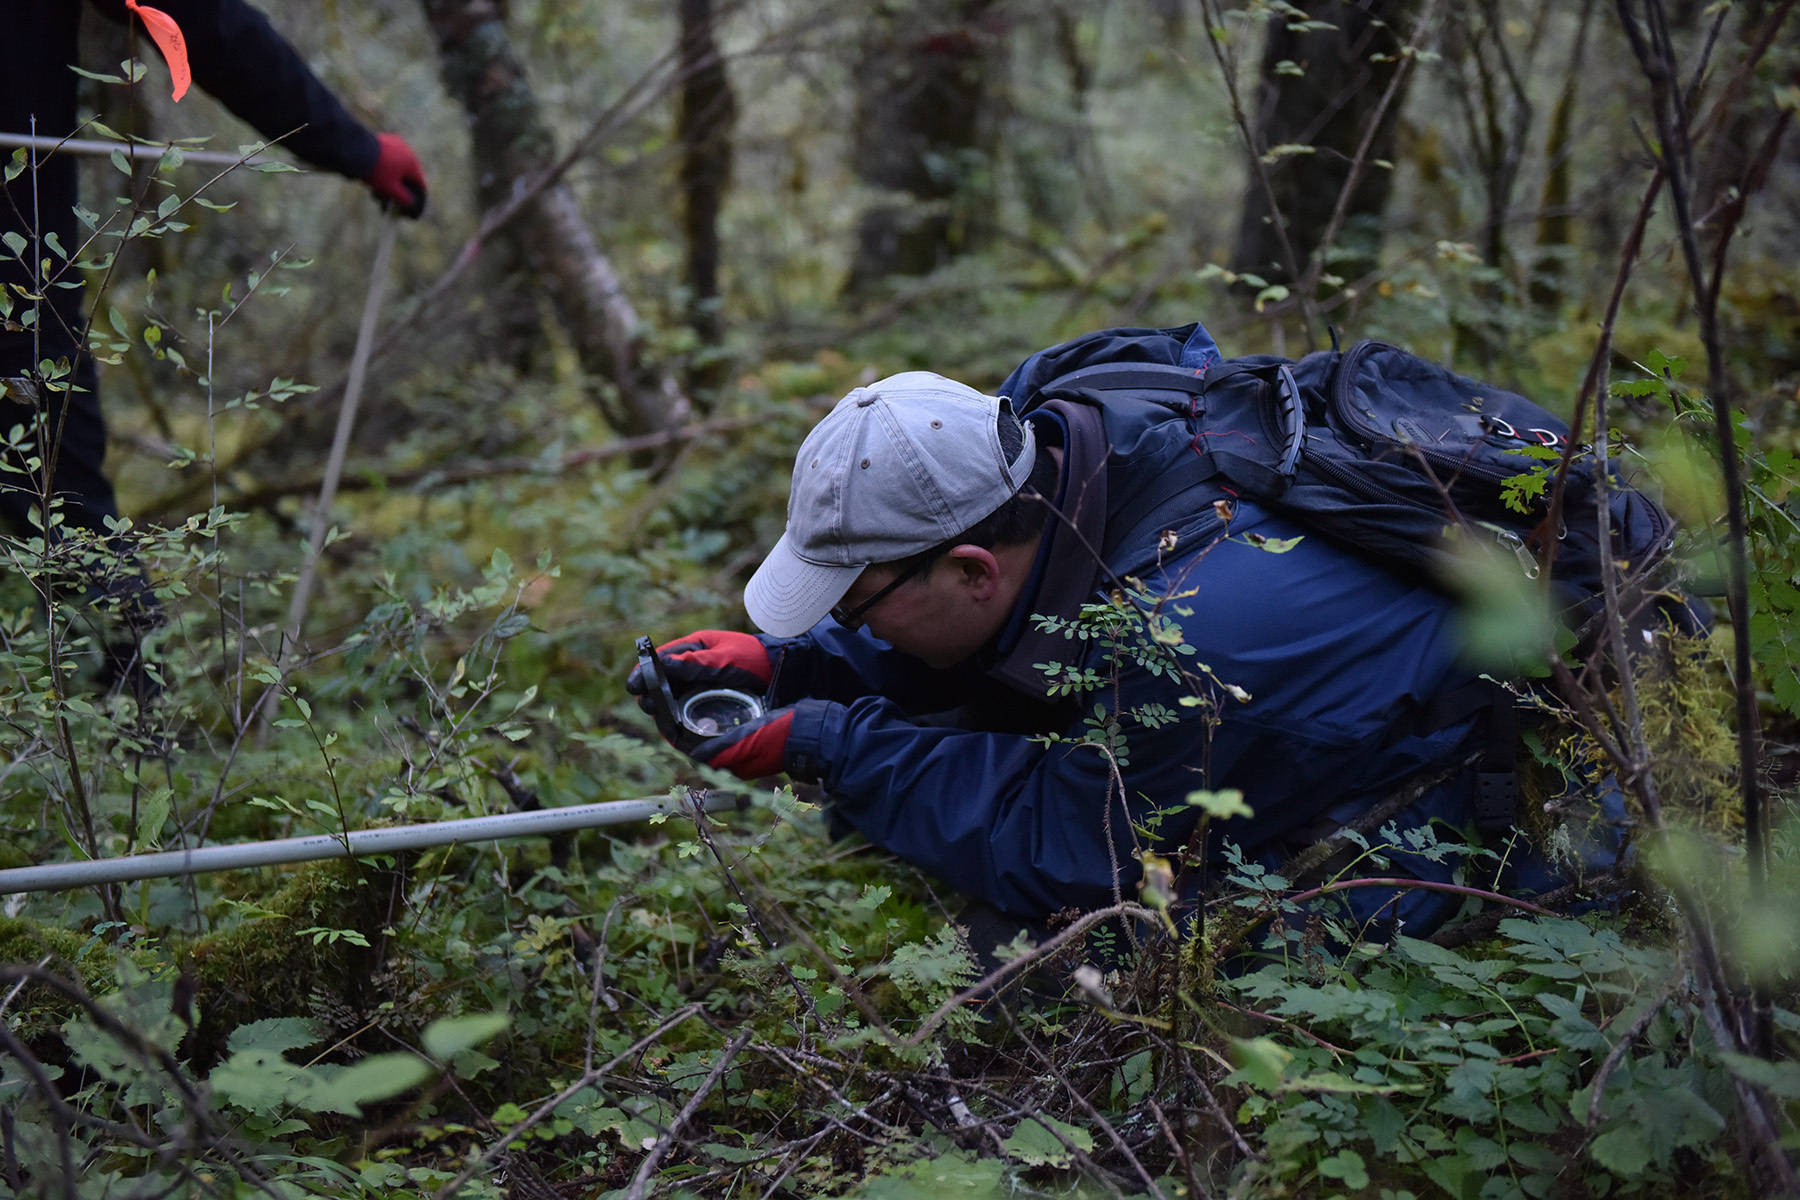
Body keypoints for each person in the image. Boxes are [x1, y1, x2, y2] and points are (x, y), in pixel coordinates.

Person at [631, 321, 1535, 948]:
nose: (843, 620)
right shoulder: (1057, 431)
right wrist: (799, 669)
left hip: (1489, 772)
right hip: (1271, 692)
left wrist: (839, 749)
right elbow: (1000, 636)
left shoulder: (1190, 639)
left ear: (975, 568)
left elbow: (1086, 843)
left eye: (854, 606)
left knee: (1047, 960)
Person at [2, 0, 427, 664]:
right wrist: (352, 146)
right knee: (61, 497)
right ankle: (130, 736)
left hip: (20, 263)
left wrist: (350, 146)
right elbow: (202, 18)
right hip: (15, 280)